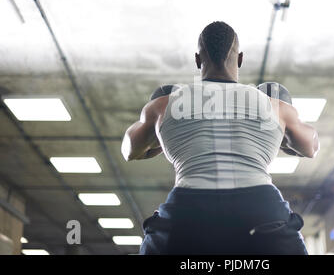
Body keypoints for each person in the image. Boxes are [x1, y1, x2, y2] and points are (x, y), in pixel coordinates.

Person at [121, 21, 320, 255]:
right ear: (241, 59)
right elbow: (311, 147)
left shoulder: (164, 105)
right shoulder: (273, 105)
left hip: (189, 209)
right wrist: (283, 138)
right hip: (259, 208)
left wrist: (161, 140)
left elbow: (129, 150)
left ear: (197, 60)